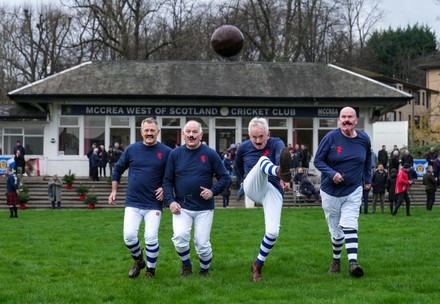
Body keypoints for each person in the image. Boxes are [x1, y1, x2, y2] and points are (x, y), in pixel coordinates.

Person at [163, 120, 230, 277]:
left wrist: (213, 191)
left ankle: (204, 269)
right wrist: (170, 201)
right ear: (183, 134)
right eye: (188, 132)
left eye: (195, 132)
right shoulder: (175, 154)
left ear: (201, 135)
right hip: (181, 206)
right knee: (179, 238)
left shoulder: (210, 154)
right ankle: (186, 265)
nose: (191, 135)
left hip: (204, 207)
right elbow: (167, 181)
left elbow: (225, 177)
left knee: (202, 244)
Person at [108, 117, 172, 278]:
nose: (149, 133)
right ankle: (138, 260)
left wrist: (165, 189)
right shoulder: (132, 149)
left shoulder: (166, 152)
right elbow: (118, 169)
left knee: (150, 238)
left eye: (152, 130)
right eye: (146, 130)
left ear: (158, 132)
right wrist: (114, 190)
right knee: (129, 236)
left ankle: (150, 270)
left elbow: (174, 175)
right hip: (133, 202)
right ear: (141, 132)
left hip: (153, 203)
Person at [314, 106, 371, 278]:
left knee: (350, 224)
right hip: (330, 192)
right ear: (339, 120)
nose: (346, 120)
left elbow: (368, 159)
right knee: (336, 231)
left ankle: (353, 263)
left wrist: (367, 179)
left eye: (350, 117)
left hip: (353, 190)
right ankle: (336, 260)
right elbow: (317, 160)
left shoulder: (364, 139)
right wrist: (332, 174)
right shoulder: (331, 138)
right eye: (343, 117)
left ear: (356, 120)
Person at [235, 117, 291, 282]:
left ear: (268, 134)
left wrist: (284, 180)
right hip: (253, 186)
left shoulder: (276, 143)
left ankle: (258, 264)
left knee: (273, 232)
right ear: (248, 135)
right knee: (262, 161)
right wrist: (242, 180)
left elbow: (283, 156)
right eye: (254, 137)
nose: (258, 141)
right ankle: (277, 171)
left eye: (261, 136)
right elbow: (238, 167)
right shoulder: (243, 148)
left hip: (272, 188)